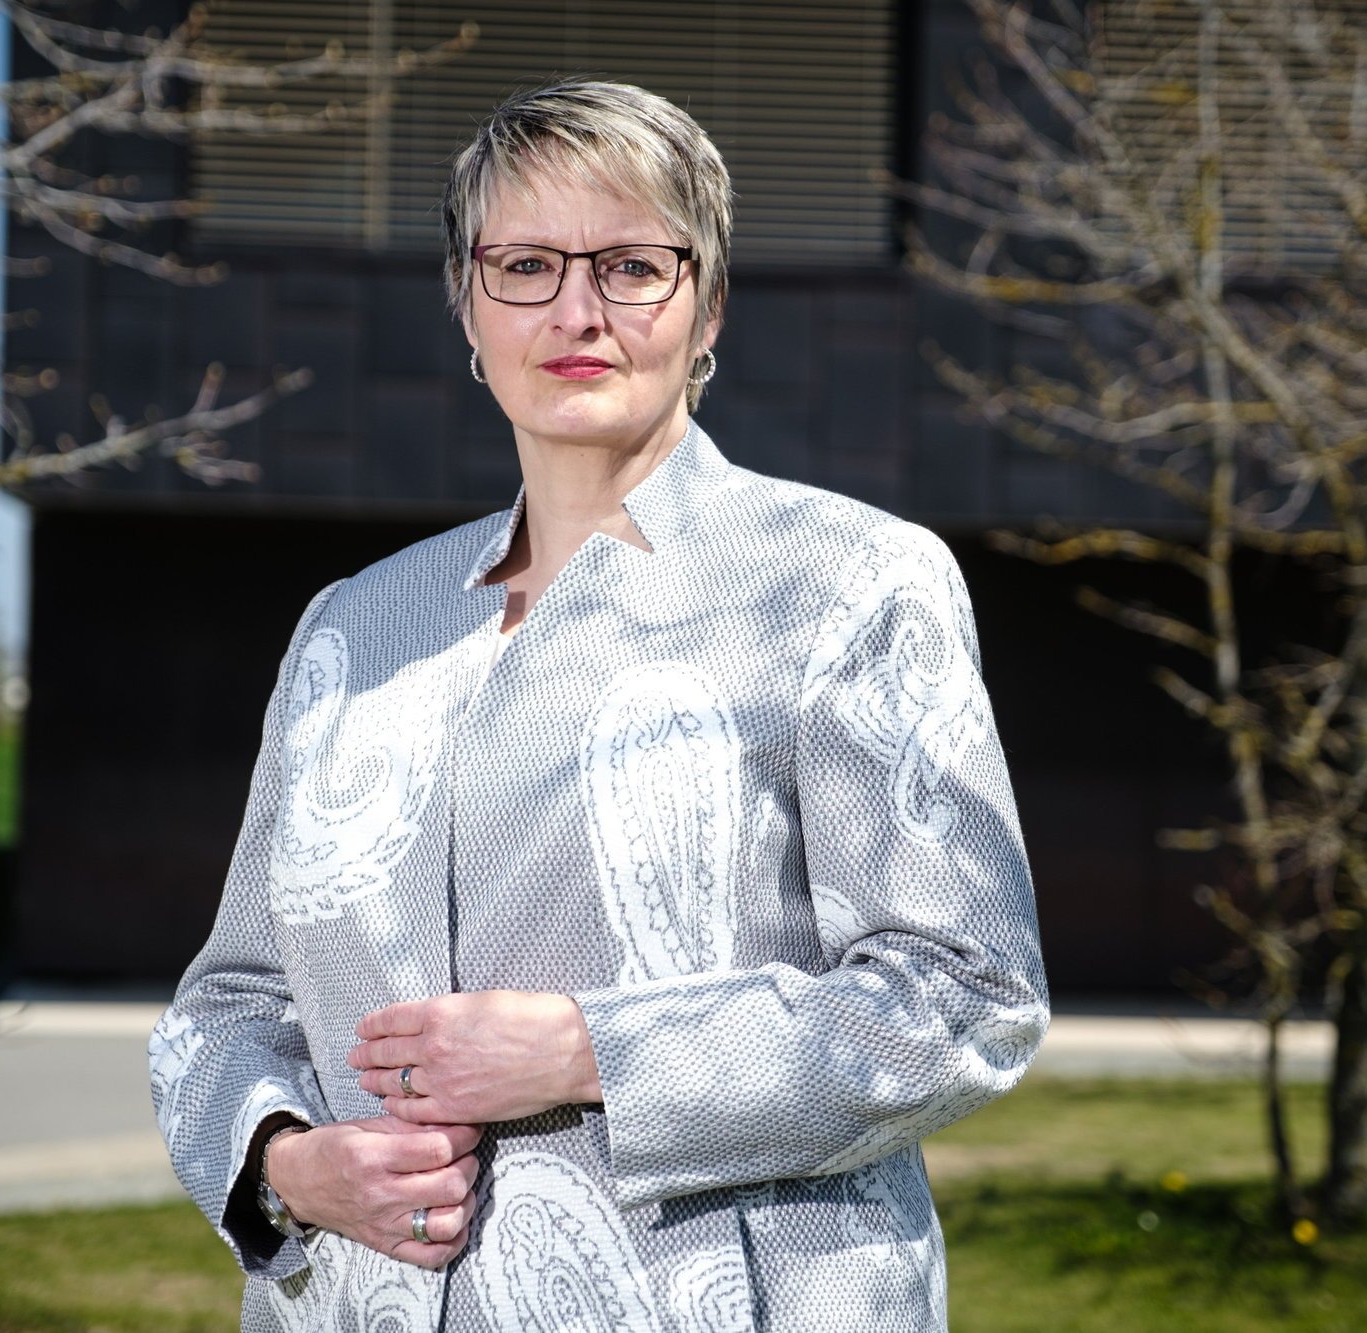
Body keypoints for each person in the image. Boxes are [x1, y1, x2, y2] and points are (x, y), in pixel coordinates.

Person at [149, 79, 1049, 1332]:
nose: (576, 311)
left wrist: (588, 1051)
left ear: (707, 300)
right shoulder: (353, 628)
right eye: (523, 263)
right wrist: (290, 1165)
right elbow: (231, 1005)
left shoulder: (845, 582)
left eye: (629, 265)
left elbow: (965, 991)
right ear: (467, 301)